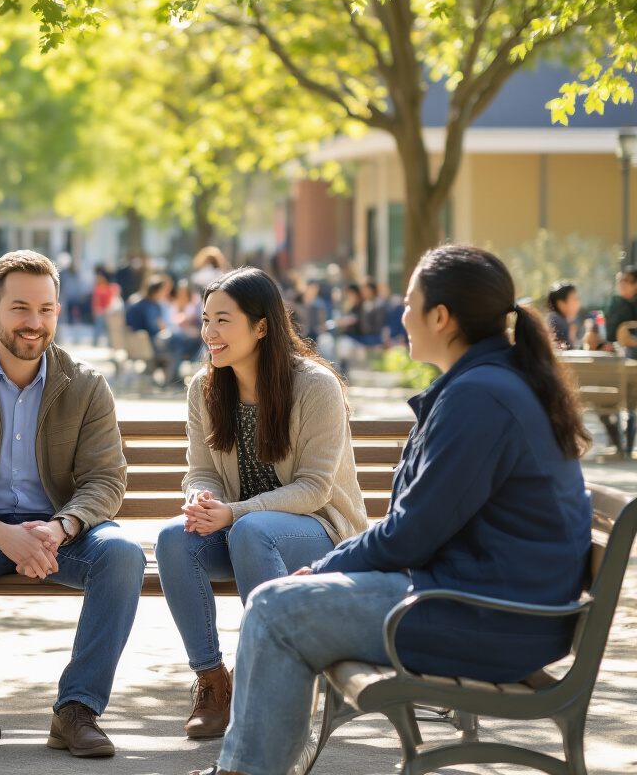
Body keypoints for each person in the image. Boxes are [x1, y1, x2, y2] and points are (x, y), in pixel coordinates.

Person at [191, 245, 593, 775]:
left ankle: (245, 770)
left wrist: (324, 568)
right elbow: (420, 527)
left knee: (274, 610)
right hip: (488, 603)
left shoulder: (481, 397)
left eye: (409, 303)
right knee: (280, 604)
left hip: (490, 618)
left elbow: (411, 534)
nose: (400, 315)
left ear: (441, 317)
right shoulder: (483, 386)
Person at [0, 250, 146, 760]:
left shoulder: (86, 386)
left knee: (123, 554)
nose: (34, 323)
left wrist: (62, 527)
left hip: (57, 534)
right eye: (20, 308)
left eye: (46, 309)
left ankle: (77, 710)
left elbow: (106, 479)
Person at [156, 268, 366, 741]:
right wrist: (200, 497)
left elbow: (315, 488)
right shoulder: (204, 388)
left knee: (254, 530)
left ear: (262, 326)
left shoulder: (314, 386)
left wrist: (236, 513)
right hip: (242, 526)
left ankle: (269, 685)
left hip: (318, 529)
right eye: (206, 319)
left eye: (223, 320)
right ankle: (213, 683)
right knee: (173, 537)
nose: (208, 332)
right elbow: (201, 468)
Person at [604, 266, 637, 453]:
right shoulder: (613, 303)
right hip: (614, 359)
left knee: (631, 403)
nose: (621, 285)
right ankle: (616, 440)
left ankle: (628, 442)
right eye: (620, 281)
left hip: (633, 361)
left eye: (626, 281)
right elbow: (605, 329)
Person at [545, 280, 581, 350]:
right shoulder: (557, 321)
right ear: (561, 304)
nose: (578, 304)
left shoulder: (554, 318)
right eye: (574, 300)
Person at [90, 267, 120, 347]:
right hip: (100, 313)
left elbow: (113, 300)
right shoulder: (98, 288)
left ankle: (111, 346)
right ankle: (95, 345)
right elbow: (96, 302)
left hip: (109, 312)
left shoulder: (112, 287)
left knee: (110, 331)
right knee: (98, 330)